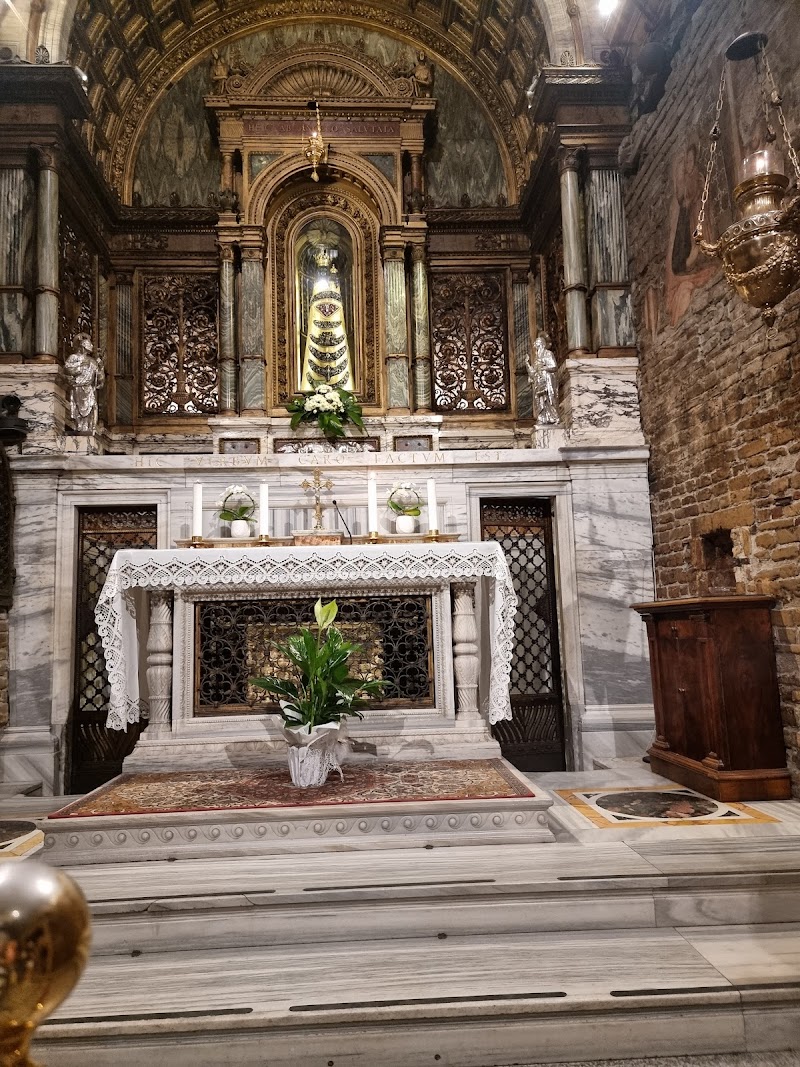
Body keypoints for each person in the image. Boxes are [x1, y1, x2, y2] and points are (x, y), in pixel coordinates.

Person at [64, 334, 103, 435]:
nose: (92, 346)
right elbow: (68, 369)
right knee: (79, 409)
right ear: (83, 345)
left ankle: (91, 427)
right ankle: (80, 426)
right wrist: (80, 367)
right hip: (78, 387)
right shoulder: (74, 357)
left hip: (89, 388)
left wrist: (100, 366)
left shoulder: (92, 361)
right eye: (89, 344)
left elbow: (99, 376)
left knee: (93, 406)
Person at [527, 333, 559, 425]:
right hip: (539, 381)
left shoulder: (548, 353)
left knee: (549, 398)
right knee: (540, 399)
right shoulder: (537, 357)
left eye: (536, 342)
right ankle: (543, 417)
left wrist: (544, 368)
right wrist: (527, 364)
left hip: (548, 379)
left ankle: (554, 417)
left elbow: (554, 366)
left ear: (542, 343)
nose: (534, 344)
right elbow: (534, 372)